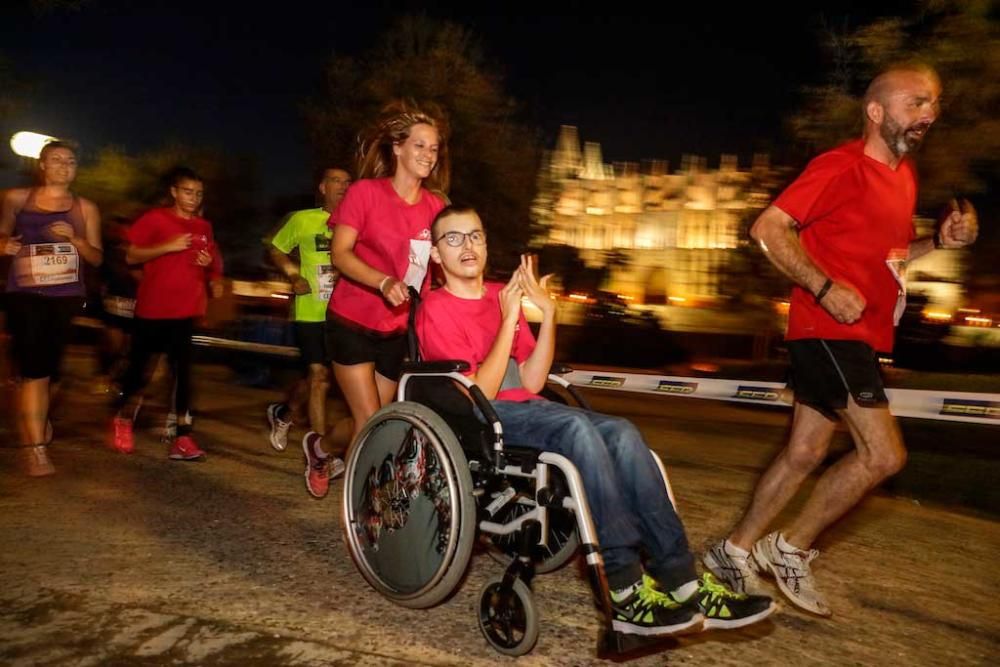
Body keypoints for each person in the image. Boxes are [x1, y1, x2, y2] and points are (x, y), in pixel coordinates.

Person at [416, 206, 776, 637]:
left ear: (486, 242)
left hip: (529, 409)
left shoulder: (500, 294)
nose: (467, 246)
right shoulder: (436, 308)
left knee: (623, 431)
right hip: (483, 417)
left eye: (474, 235)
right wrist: (509, 317)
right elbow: (483, 391)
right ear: (436, 254)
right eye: (453, 239)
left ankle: (682, 578)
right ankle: (624, 586)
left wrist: (547, 315)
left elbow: (531, 379)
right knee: (577, 428)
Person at [703, 63, 978, 617]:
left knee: (804, 451)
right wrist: (824, 287)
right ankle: (790, 547)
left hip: (862, 335)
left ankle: (731, 552)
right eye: (915, 102)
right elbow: (768, 227)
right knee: (884, 455)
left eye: (933, 103)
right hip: (828, 328)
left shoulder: (904, 176)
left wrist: (938, 243)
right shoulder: (840, 165)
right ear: (876, 112)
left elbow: (892, 258)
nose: (928, 113)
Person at [311, 100, 449, 499]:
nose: (427, 155)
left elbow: (436, 263)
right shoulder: (365, 193)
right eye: (420, 146)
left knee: (370, 420)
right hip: (352, 320)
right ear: (398, 148)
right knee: (371, 420)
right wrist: (382, 280)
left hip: (396, 328)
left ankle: (320, 448)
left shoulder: (435, 205)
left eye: (434, 148)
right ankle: (368, 506)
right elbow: (340, 253)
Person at [1, 141, 103, 476]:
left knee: (50, 369)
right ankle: (35, 450)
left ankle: (36, 419)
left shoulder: (85, 207)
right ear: (42, 165)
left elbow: (97, 257)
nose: (63, 166)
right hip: (25, 293)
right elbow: (1, 236)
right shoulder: (17, 198)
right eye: (56, 160)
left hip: (65, 296)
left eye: (70, 161)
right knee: (35, 371)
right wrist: (5, 244)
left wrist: (76, 240)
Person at [109, 167, 224, 460]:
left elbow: (211, 266)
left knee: (182, 376)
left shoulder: (204, 227)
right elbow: (132, 255)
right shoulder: (155, 219)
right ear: (174, 191)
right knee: (139, 372)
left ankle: (183, 437)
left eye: (198, 193)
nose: (193, 198)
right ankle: (123, 417)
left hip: (186, 311)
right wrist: (166, 246)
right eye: (188, 191)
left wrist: (207, 263)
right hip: (153, 309)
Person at [265, 167, 351, 474]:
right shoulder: (302, 219)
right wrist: (292, 274)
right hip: (310, 311)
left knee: (322, 378)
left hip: (346, 314)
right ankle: (320, 454)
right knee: (319, 377)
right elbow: (275, 248)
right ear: (323, 186)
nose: (343, 186)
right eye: (336, 181)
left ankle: (285, 412)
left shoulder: (356, 224)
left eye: (347, 182)